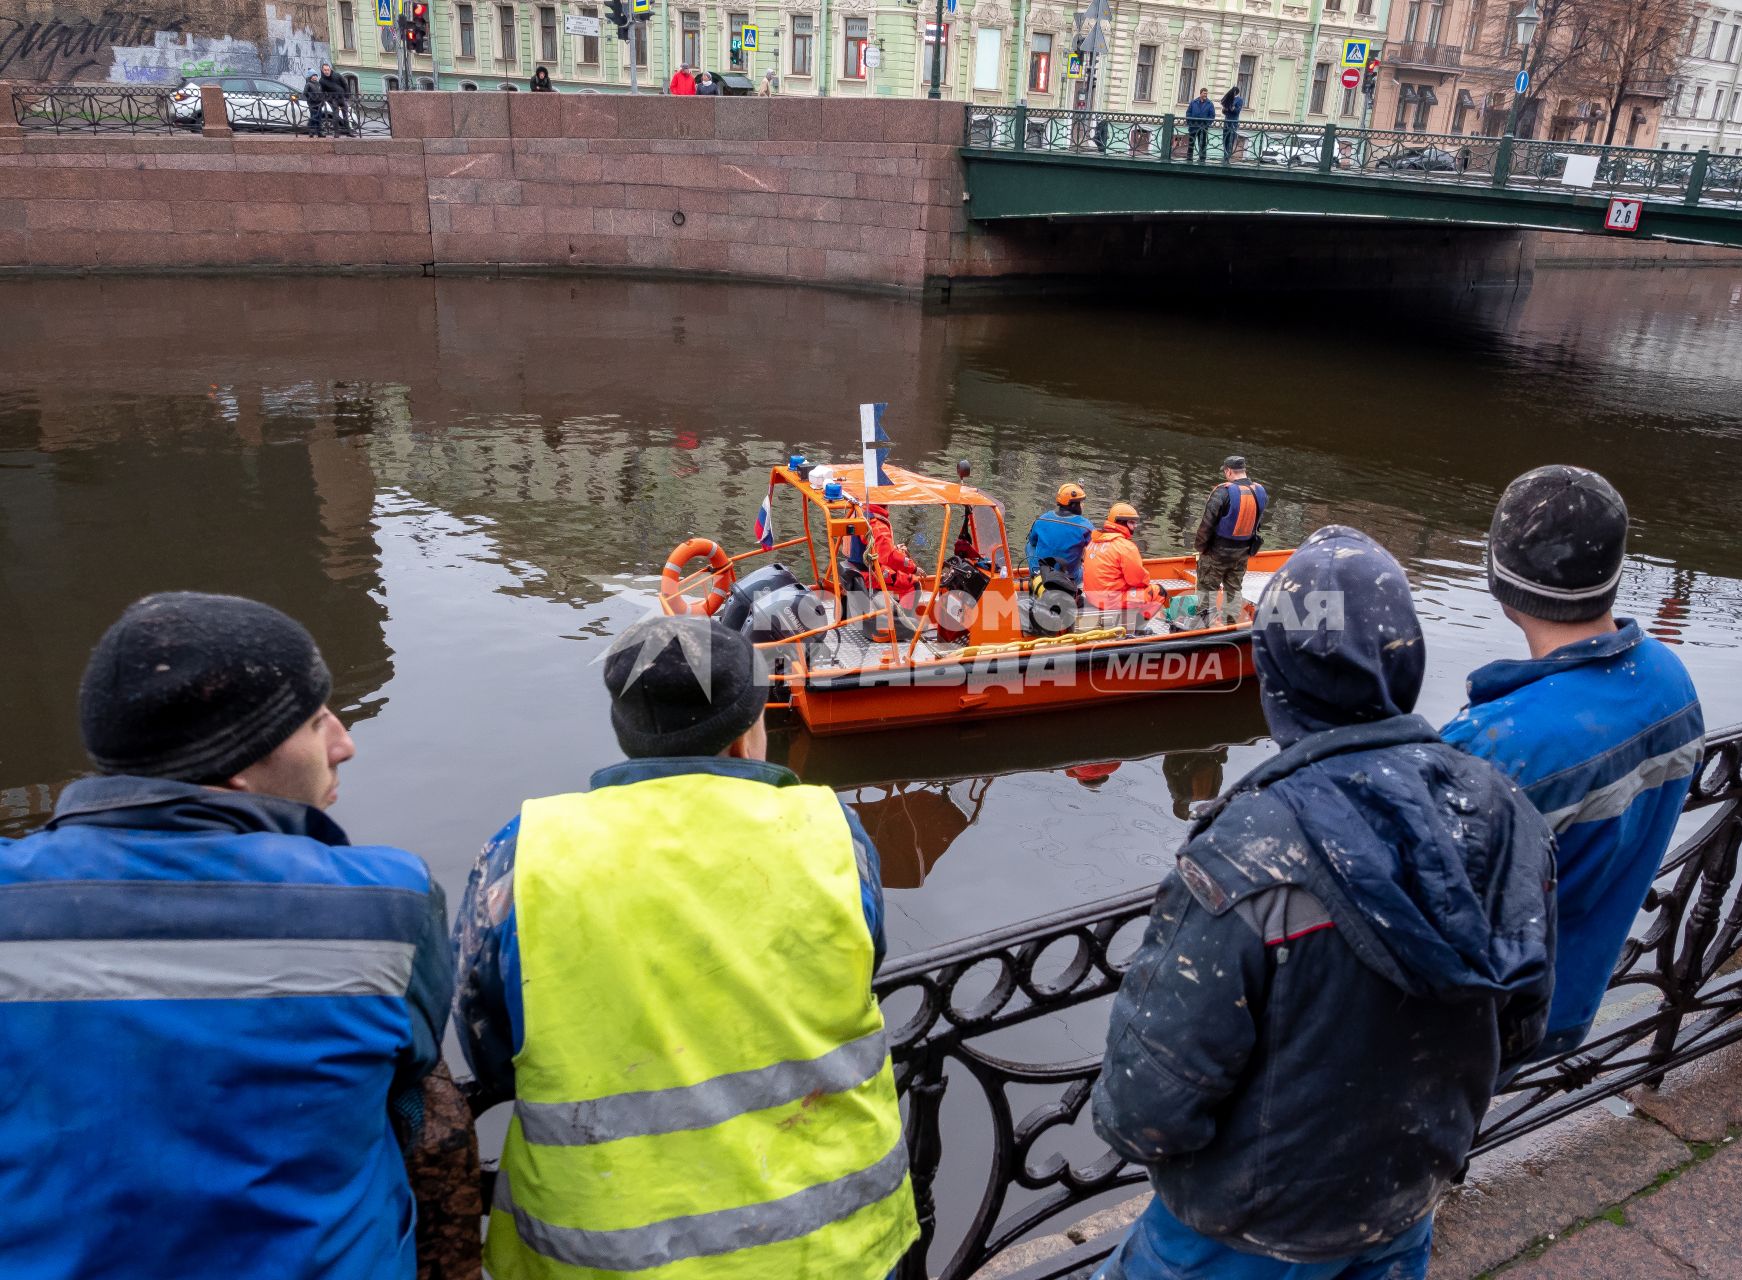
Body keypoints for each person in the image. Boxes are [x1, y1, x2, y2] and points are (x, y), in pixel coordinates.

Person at [1091, 527, 1556, 1280]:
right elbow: (1524, 1023)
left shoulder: (1246, 852)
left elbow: (1143, 1112)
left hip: (1237, 1235)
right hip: (1400, 1209)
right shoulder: (1504, 812)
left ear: (1276, 677)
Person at [0, 592, 452, 1279]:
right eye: (314, 720)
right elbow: (412, 1069)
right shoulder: (387, 905)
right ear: (237, 767)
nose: (344, 743)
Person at [455, 615, 917, 1279]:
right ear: (746, 736)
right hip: (834, 1240)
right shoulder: (830, 830)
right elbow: (861, 968)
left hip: (606, 1252)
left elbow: (489, 1045)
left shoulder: (523, 853)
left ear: (624, 731)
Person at [1443, 465, 1703, 1063]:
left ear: (1498, 577)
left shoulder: (1495, 744)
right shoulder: (1669, 679)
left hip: (1487, 1026)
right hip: (1576, 998)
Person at [1191, 454, 1268, 627]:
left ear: (1228, 471)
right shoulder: (1260, 491)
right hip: (1242, 553)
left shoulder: (1223, 491)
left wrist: (1201, 547)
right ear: (1244, 470)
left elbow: (1207, 524)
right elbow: (1258, 521)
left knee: (1207, 590)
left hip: (1216, 553)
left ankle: (1205, 628)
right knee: (1234, 589)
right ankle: (1230, 626)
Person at [1083, 502, 1168, 625]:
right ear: (1121, 522)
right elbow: (1139, 580)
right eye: (1132, 523)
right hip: (1111, 601)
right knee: (1159, 592)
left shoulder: (1093, 542)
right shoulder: (1126, 547)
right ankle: (1137, 628)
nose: (1135, 526)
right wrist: (1146, 581)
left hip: (1092, 598)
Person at [1025, 481, 1096, 595]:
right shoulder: (1086, 526)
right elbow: (1095, 551)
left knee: (1029, 545)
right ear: (1073, 505)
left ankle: (1037, 573)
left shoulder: (1042, 519)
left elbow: (1033, 541)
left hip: (1045, 572)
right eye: (1081, 502)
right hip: (1070, 577)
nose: (1083, 505)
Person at [319, 60, 353, 134]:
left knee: (345, 116)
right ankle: (336, 132)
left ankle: (349, 132)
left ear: (330, 69)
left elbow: (345, 85)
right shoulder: (322, 80)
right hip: (334, 99)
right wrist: (329, 100)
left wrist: (346, 96)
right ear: (322, 70)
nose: (327, 71)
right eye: (325, 70)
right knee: (335, 116)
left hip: (342, 98)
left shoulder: (337, 75)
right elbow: (323, 92)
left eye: (328, 70)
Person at [1185, 88, 1215, 162]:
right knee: (1191, 142)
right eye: (1204, 93)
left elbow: (1212, 116)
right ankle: (1189, 157)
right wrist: (1190, 122)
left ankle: (1202, 158)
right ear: (1200, 93)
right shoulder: (1193, 102)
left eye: (1206, 93)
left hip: (1203, 127)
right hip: (1193, 126)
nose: (1205, 95)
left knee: (1202, 143)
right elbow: (1188, 113)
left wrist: (1207, 124)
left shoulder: (1209, 104)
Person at [1220, 84, 1243, 163]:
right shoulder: (1229, 99)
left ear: (1236, 92)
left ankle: (1228, 157)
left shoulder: (1239, 100)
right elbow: (1224, 112)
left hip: (1233, 123)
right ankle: (1224, 156)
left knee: (1231, 139)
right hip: (1227, 122)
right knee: (1225, 139)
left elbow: (1237, 112)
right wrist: (1225, 108)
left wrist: (1232, 108)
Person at [304, 71, 329, 137]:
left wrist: (323, 99)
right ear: (310, 77)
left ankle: (319, 132)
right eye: (313, 76)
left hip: (319, 103)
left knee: (319, 118)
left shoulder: (318, 84)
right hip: (312, 104)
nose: (315, 77)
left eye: (316, 76)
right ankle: (311, 132)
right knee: (313, 117)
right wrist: (311, 97)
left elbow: (322, 92)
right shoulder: (308, 84)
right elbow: (305, 93)